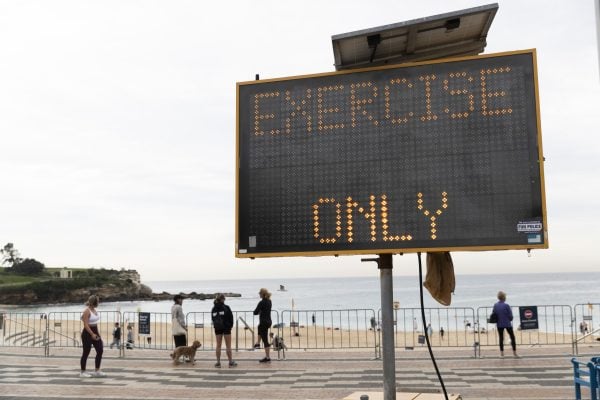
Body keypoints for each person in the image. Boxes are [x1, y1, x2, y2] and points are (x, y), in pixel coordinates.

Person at [79, 295, 106, 377]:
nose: (99, 302)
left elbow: (94, 324)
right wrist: (92, 334)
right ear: (94, 302)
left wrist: (97, 334)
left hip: (95, 331)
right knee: (86, 352)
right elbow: (86, 325)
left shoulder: (94, 310)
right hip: (87, 333)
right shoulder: (87, 311)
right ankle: (82, 372)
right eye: (98, 301)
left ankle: (97, 370)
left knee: (100, 350)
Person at [211, 293, 237, 368]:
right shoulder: (226, 307)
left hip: (217, 328)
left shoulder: (213, 308)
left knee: (218, 345)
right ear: (223, 299)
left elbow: (212, 319)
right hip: (226, 328)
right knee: (228, 346)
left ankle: (218, 362)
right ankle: (230, 362)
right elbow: (231, 318)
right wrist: (230, 326)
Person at [493, 290, 518, 357]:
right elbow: (510, 316)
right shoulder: (506, 305)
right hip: (507, 323)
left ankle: (502, 354)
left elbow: (494, 314)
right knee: (512, 337)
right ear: (504, 297)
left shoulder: (495, 305)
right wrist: (510, 319)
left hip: (499, 324)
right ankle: (514, 353)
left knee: (501, 338)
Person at [253, 288, 272, 363]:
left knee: (265, 340)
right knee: (259, 327)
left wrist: (260, 311)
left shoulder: (261, 302)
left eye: (259, 293)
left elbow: (255, 312)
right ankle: (257, 343)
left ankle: (267, 357)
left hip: (264, 322)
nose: (259, 295)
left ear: (262, 294)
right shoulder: (269, 301)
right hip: (268, 321)